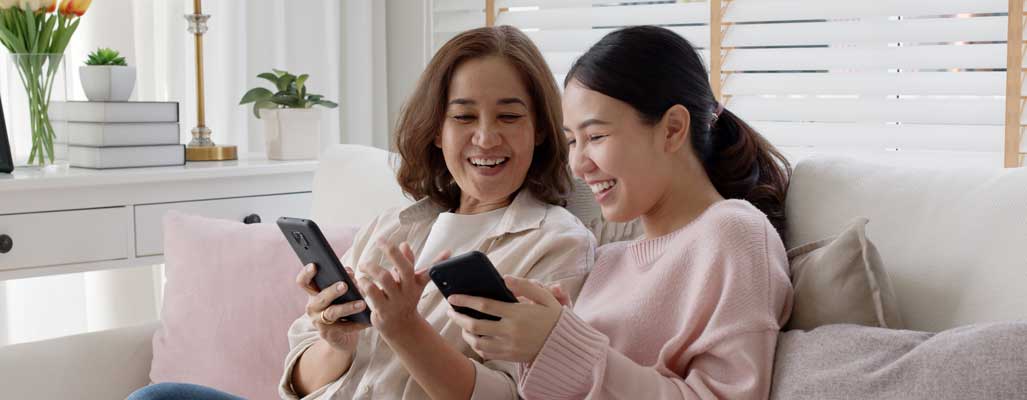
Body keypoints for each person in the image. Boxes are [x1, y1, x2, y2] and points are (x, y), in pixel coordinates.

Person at [127, 25, 593, 400]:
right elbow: (298, 382)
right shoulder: (391, 225)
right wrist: (337, 343)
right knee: (160, 397)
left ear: (540, 132)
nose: (486, 138)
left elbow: (513, 395)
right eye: (464, 117)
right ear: (436, 130)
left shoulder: (557, 244)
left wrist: (406, 329)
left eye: (510, 117)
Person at [447, 25, 794, 399]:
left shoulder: (732, 233)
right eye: (571, 141)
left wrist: (561, 342)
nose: (579, 165)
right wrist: (542, 339)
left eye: (595, 137)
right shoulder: (608, 264)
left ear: (673, 129)